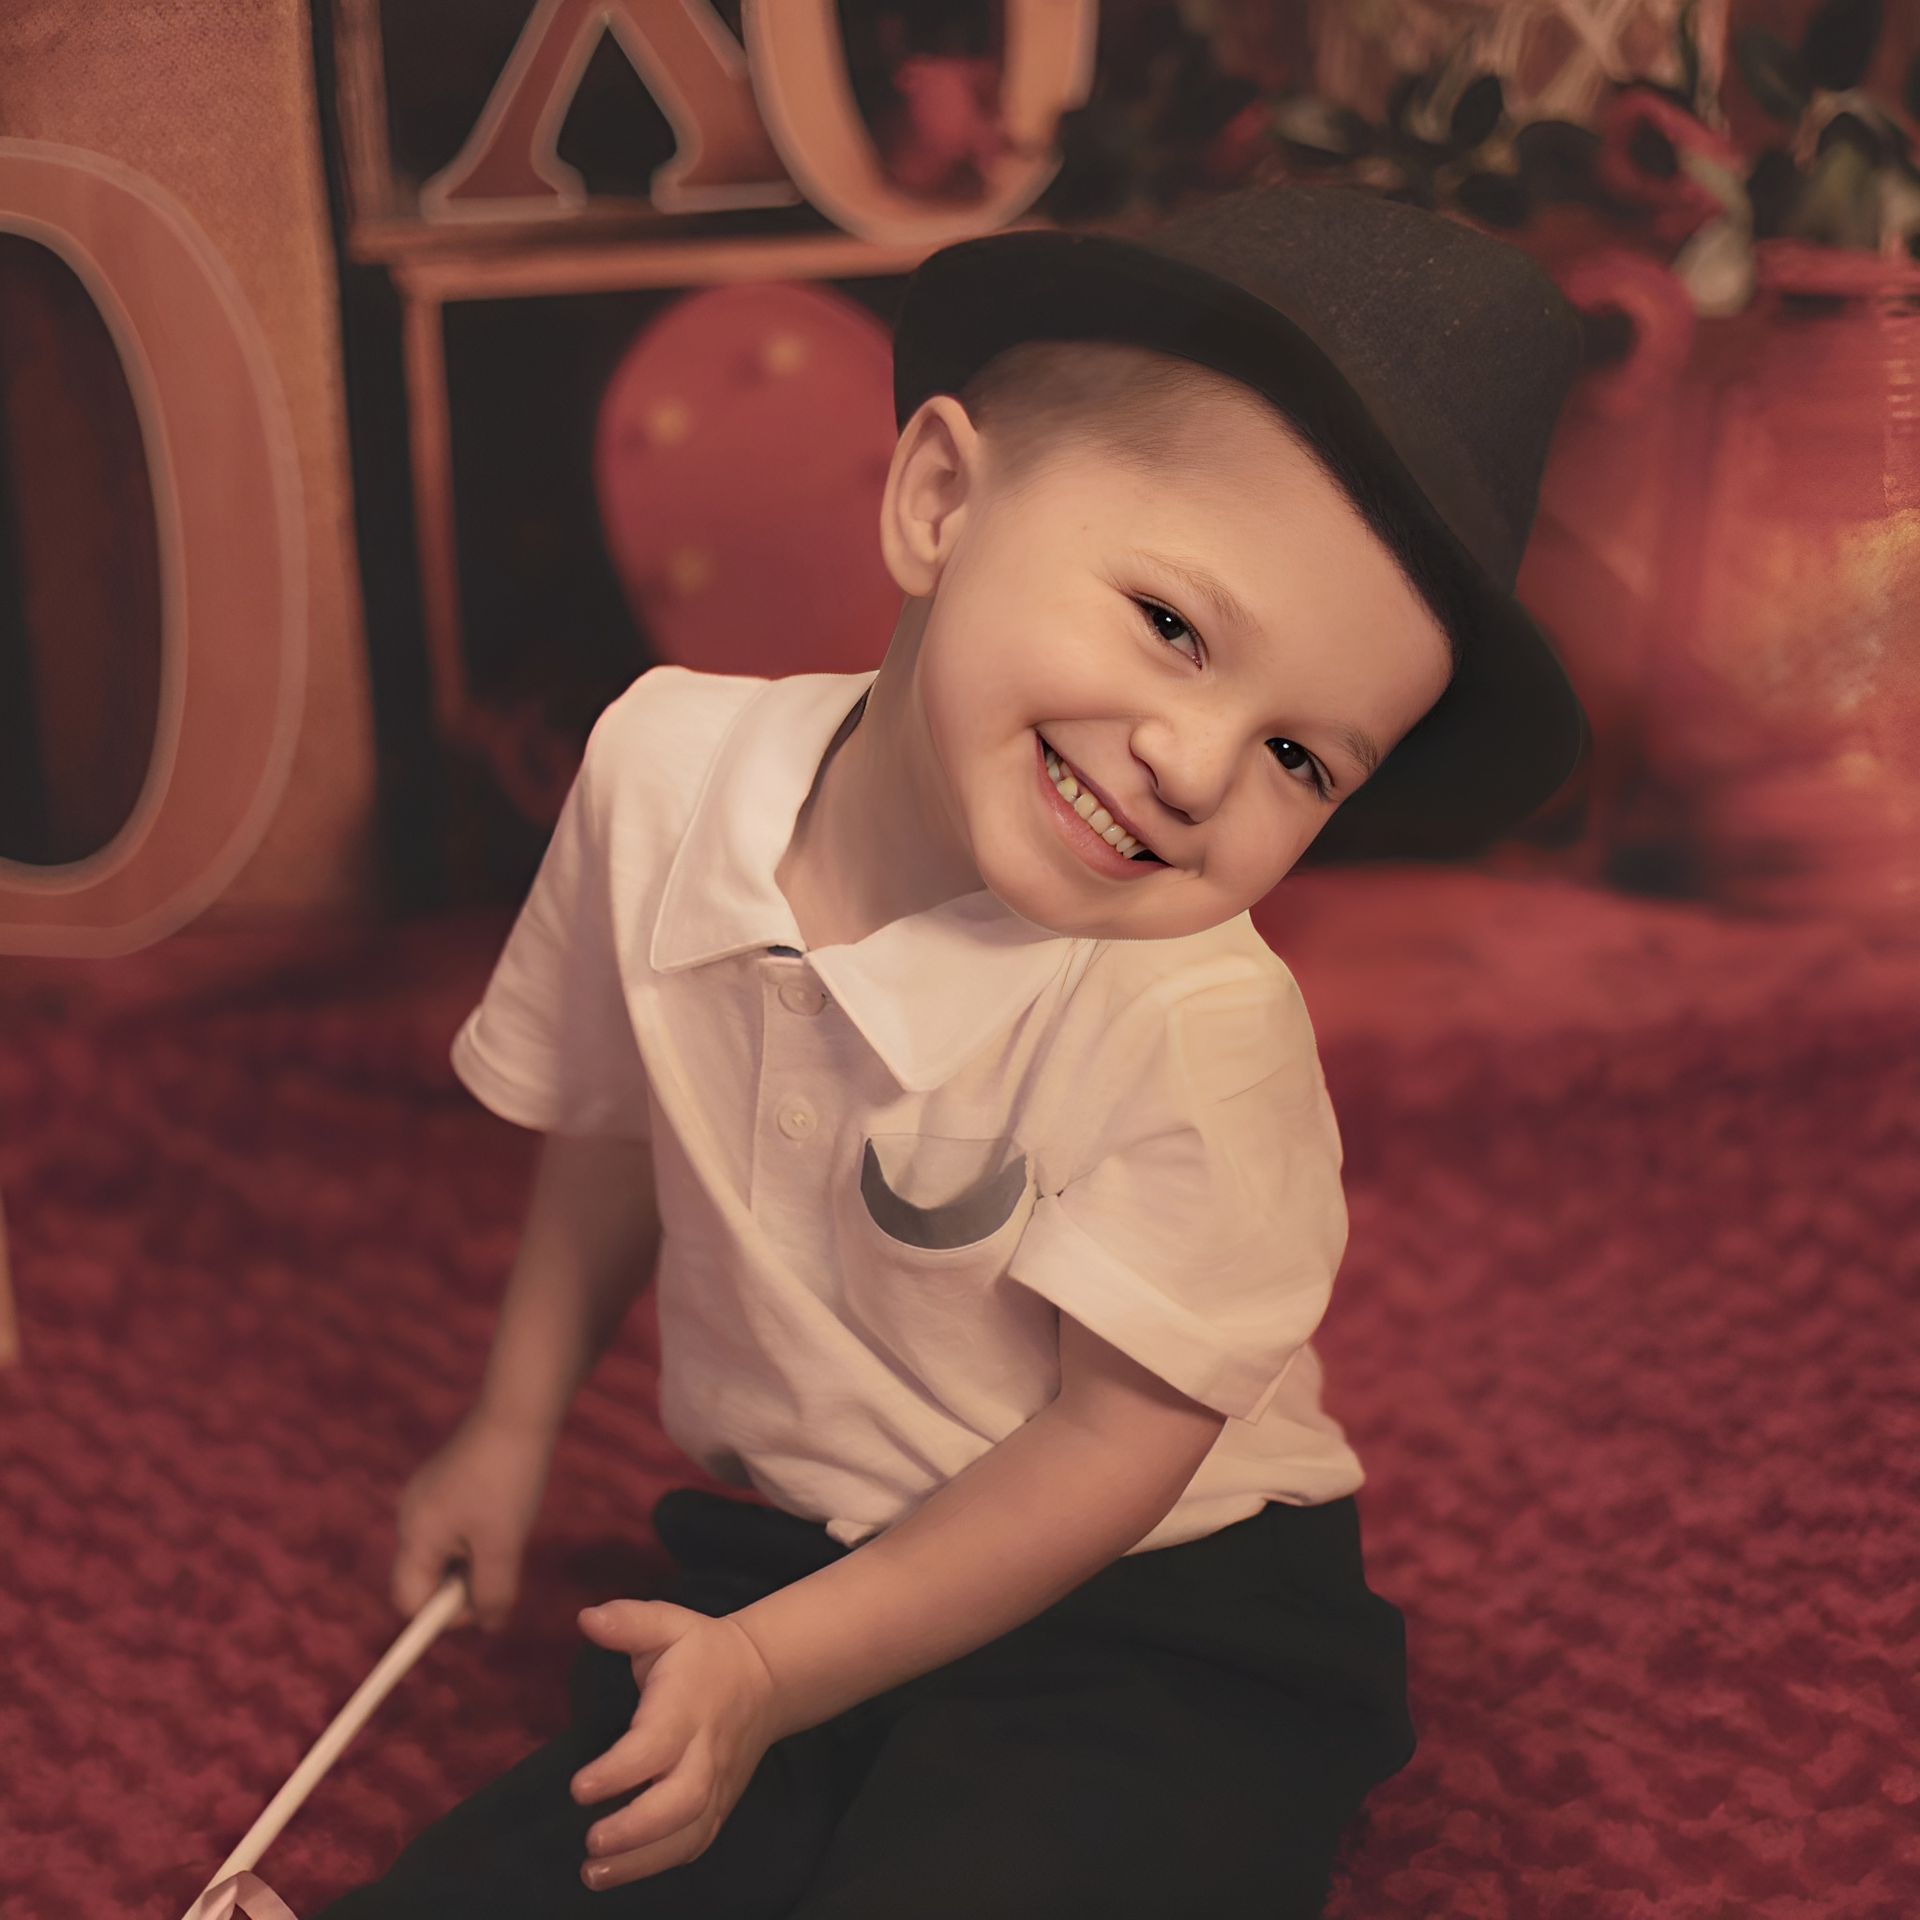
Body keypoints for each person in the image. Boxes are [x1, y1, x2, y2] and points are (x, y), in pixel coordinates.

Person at [314, 181, 1590, 1919]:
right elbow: (624, 1112)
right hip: (801, 1539)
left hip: (1161, 1602)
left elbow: (1105, 1452)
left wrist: (776, 1674)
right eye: (1172, 626)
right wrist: (512, 1425)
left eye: (1303, 757)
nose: (1199, 768)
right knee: (565, 1860)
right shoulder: (662, 778)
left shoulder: (1196, 1023)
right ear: (936, 502)